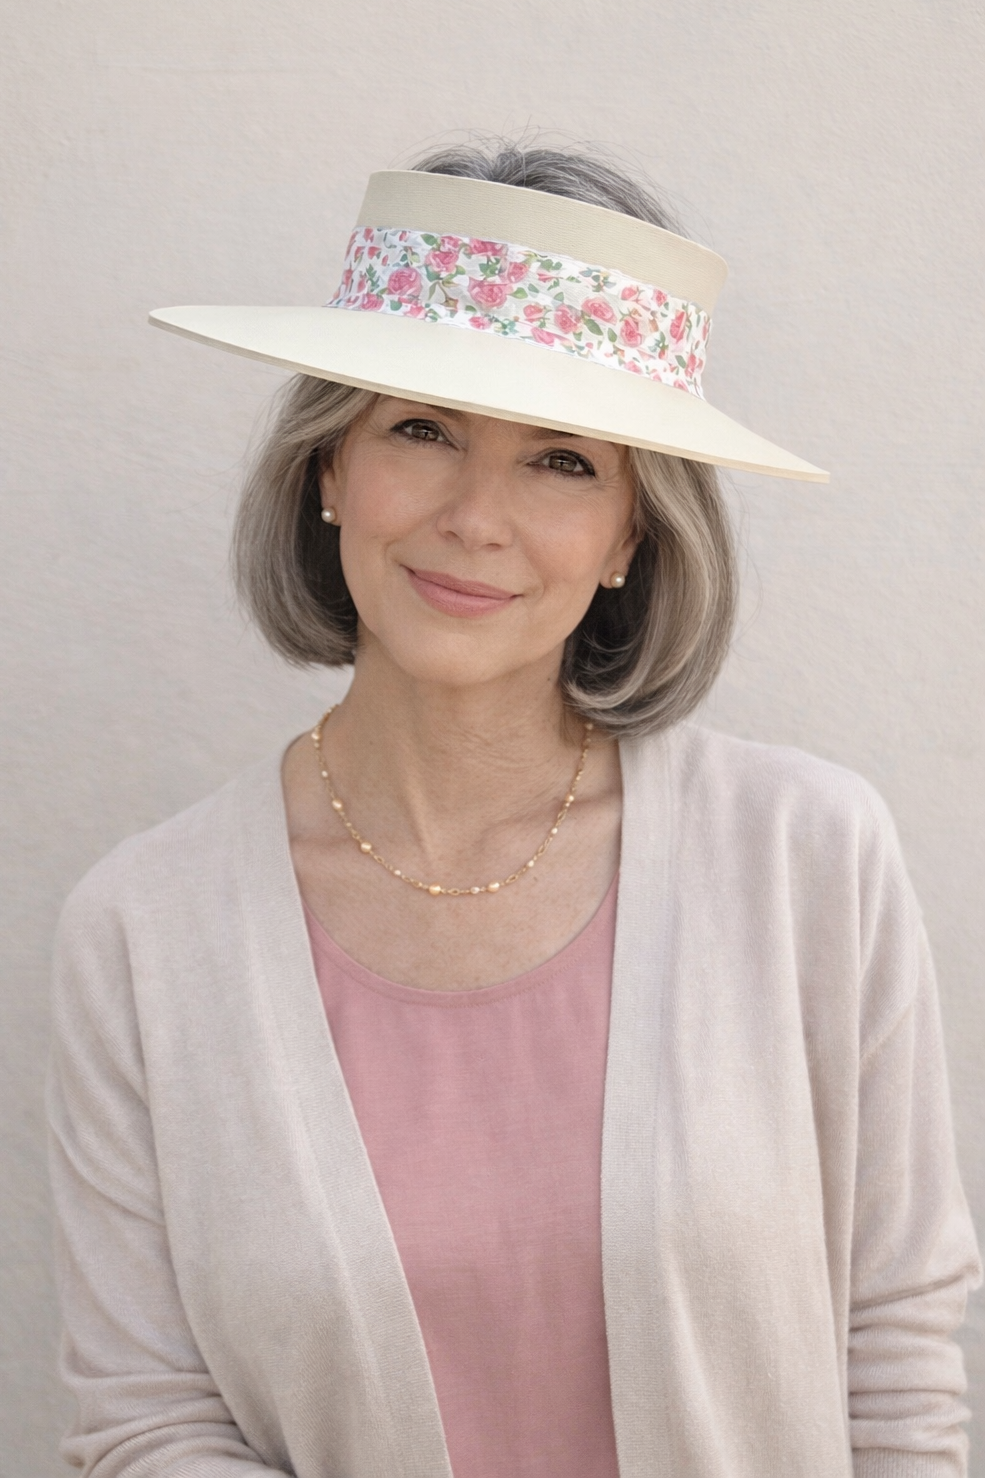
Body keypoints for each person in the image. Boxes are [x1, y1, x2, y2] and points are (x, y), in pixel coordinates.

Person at [48, 143, 980, 1479]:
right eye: (420, 428)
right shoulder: (144, 930)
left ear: (629, 538)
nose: (475, 517)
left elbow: (897, 1361)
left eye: (559, 461)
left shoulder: (806, 859)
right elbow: (145, 1420)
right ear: (328, 466)